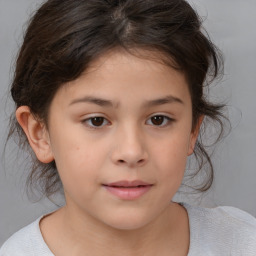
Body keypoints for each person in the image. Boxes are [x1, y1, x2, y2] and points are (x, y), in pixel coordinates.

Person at [1, 0, 256, 255]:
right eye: (96, 120)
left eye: (158, 119)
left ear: (192, 130)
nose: (132, 152)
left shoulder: (243, 243)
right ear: (40, 134)